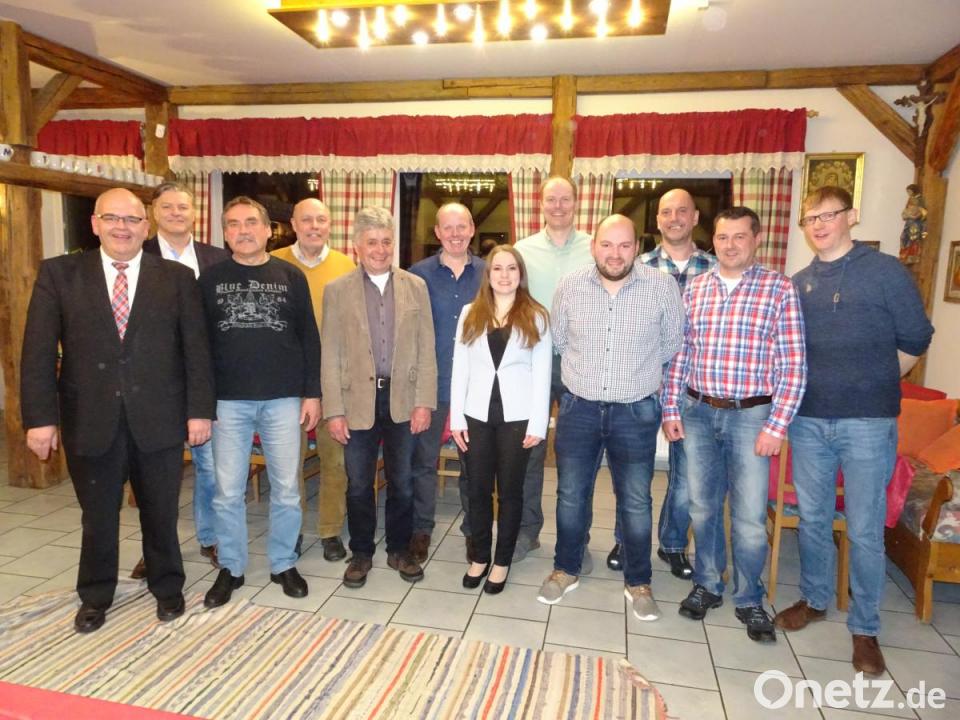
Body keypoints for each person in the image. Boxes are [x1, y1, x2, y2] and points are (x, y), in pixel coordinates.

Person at [20, 188, 215, 633]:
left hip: (159, 418)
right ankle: (95, 595)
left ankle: (167, 587)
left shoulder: (177, 278)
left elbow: (196, 350)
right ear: (95, 224)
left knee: (161, 512)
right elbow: (36, 352)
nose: (121, 227)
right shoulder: (60, 274)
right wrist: (40, 419)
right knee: (98, 516)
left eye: (131, 220)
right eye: (112, 218)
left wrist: (199, 411)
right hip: (89, 419)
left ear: (146, 227)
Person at [776, 186, 934, 674]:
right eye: (811, 218)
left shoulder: (885, 272)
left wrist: (882, 378)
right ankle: (815, 599)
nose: (819, 225)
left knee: (864, 528)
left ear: (852, 216)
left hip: (868, 422)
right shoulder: (799, 283)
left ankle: (865, 628)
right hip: (808, 421)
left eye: (829, 215)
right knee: (814, 519)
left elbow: (917, 338)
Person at [662, 207, 807, 643]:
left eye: (739, 237)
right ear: (714, 240)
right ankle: (707, 584)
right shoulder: (696, 288)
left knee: (747, 517)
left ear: (756, 239)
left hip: (751, 417)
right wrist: (671, 409)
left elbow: (794, 365)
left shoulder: (779, 289)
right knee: (702, 508)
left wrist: (776, 426)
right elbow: (681, 353)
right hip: (698, 412)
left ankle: (749, 598)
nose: (730, 245)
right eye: (723, 237)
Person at [536, 215, 683, 622]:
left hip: (635, 411)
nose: (615, 254)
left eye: (624, 245)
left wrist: (635, 373)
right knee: (570, 493)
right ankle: (566, 568)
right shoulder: (570, 286)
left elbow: (672, 342)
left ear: (637, 247)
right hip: (578, 408)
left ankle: (639, 581)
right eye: (606, 244)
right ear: (593, 246)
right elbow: (559, 340)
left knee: (635, 499)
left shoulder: (662, 287)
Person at [200, 196, 321, 608]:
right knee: (226, 492)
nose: (243, 230)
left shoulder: (290, 276)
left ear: (269, 230)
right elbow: (198, 345)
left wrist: (312, 393)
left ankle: (283, 563)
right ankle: (231, 567)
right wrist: (201, 402)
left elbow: (309, 338)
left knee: (287, 488)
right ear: (225, 233)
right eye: (233, 224)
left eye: (251, 222)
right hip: (227, 403)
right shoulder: (210, 279)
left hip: (283, 399)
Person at [321, 207, 437, 589]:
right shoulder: (337, 291)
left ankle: (399, 549)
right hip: (356, 402)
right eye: (372, 242)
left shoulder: (416, 286)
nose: (380, 249)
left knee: (402, 481)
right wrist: (334, 410)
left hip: (403, 398)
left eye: (386, 241)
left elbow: (426, 349)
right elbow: (330, 353)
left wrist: (424, 402)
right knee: (358, 483)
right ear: (357, 246)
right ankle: (361, 552)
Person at [607, 189, 716, 576]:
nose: (674, 219)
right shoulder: (636, 267)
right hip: (641, 387)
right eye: (666, 212)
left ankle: (673, 544)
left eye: (682, 211)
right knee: (631, 474)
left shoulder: (716, 268)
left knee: (684, 477)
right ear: (657, 221)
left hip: (692, 390)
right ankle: (626, 539)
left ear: (695, 217)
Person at [128, 181, 229, 581]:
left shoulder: (217, 258)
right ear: (153, 213)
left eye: (182, 207)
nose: (175, 213)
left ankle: (210, 537)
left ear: (194, 212)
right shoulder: (136, 255)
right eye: (167, 206)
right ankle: (155, 549)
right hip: (154, 384)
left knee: (211, 468)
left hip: (206, 379)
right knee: (156, 477)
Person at [450, 245, 551, 594]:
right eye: (497, 268)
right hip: (476, 415)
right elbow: (460, 369)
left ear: (520, 274)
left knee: (510, 492)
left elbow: (542, 374)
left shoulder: (536, 315)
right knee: (477, 490)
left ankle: (502, 560)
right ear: (488, 274)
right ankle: (479, 556)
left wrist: (538, 424)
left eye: (511, 268)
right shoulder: (470, 313)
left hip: (517, 418)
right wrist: (456, 418)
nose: (504, 275)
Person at [513, 176, 594, 564]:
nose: (558, 206)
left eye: (565, 199)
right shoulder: (522, 250)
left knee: (576, 457)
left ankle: (576, 539)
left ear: (576, 202)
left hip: (581, 362)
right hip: (531, 361)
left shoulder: (595, 248)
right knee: (527, 451)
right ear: (540, 203)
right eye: (551, 199)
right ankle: (525, 532)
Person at [271, 197, 356, 563]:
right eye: (307, 220)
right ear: (293, 224)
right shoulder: (273, 263)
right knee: (287, 465)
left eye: (321, 220)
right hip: (287, 381)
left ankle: (330, 531)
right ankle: (291, 531)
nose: (314, 227)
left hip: (334, 380)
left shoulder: (345, 265)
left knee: (335, 462)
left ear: (330, 224)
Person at [408, 203, 484, 563]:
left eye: (461, 226)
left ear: (472, 229)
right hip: (431, 385)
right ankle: (421, 529)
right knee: (423, 462)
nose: (455, 234)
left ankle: (474, 532)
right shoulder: (417, 275)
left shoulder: (489, 273)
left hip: (477, 388)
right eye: (447, 227)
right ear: (437, 232)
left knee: (474, 466)